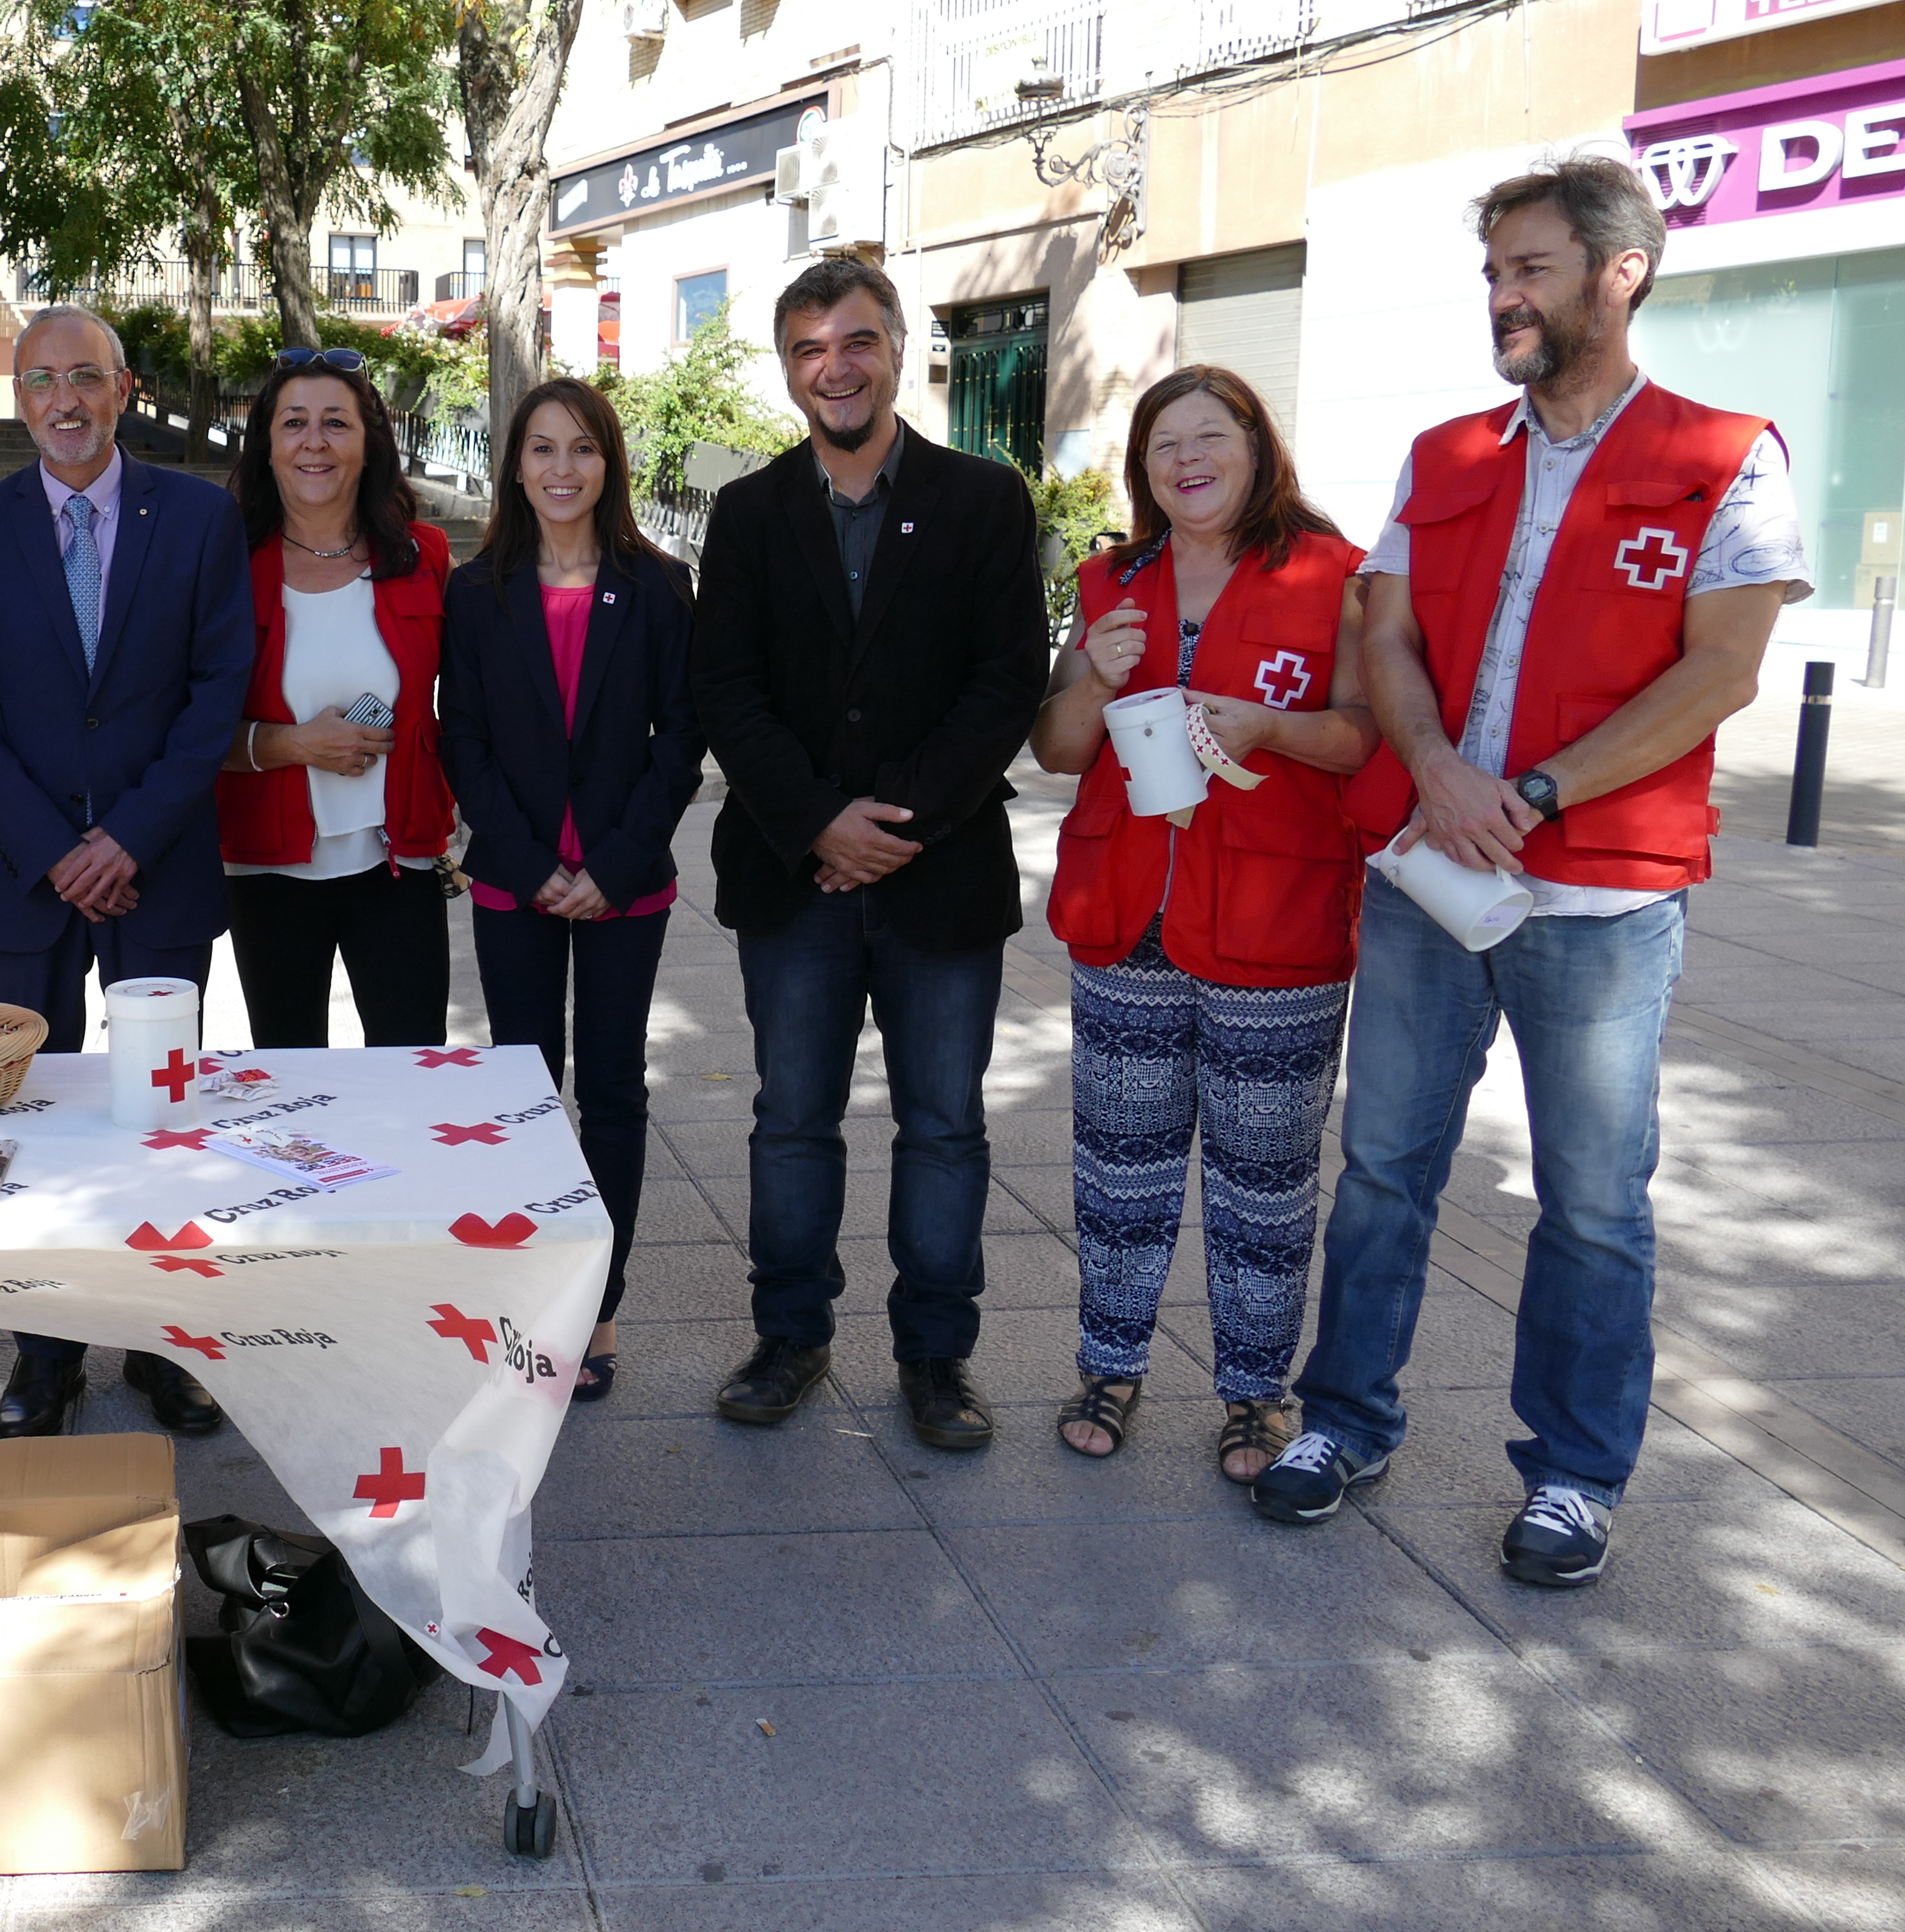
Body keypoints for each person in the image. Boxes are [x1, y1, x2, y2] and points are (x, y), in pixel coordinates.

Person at [1256, 157, 1803, 1586]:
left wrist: (1539, 792)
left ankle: (1570, 1473)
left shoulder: (1721, 454)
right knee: (1379, 1165)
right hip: (1429, 874)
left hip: (1601, 898)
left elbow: (1722, 672)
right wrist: (1436, 769)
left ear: (1617, 273)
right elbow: (1384, 635)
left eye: (1530, 268)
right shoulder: (1443, 458)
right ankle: (1342, 1420)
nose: (1501, 294)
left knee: (1591, 1198)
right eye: (1493, 270)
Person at [692, 257, 1048, 1448]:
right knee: (794, 1117)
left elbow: (1008, 683)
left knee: (944, 1124)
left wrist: (893, 823)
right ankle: (791, 1334)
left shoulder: (984, 500)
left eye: (855, 341)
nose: (833, 366)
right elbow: (726, 693)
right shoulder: (747, 514)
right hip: (794, 879)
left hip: (939, 875)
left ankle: (937, 1357)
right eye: (807, 348)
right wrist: (816, 825)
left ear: (898, 350)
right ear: (788, 370)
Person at [1029, 366, 1375, 1479]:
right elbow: (1060, 748)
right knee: (1118, 1163)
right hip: (1128, 914)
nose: (1186, 457)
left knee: (1263, 1175)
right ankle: (1109, 1365)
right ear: (1144, 467)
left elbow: (1366, 736)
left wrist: (1267, 723)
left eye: (1208, 435)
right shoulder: (1111, 577)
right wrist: (1090, 673)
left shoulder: (1334, 575)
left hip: (1275, 921)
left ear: (1255, 445)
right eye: (1163, 441)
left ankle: (1254, 1395)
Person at [0, 304, 254, 1439]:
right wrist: (55, 844)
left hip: (156, 864)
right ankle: (45, 1352)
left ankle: (165, 1345)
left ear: (124, 388)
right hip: (26, 871)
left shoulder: (201, 518)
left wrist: (129, 835)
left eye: (84, 377)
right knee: (33, 1119)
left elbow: (218, 689)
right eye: (39, 381)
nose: (62, 400)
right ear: (17, 399)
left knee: (156, 1117)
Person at [442, 378, 703, 1405]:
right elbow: (459, 730)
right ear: (513, 464)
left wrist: (617, 862)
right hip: (513, 880)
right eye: (541, 448)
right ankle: (523, 1294)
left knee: (612, 1093)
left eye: (582, 449)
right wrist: (519, 854)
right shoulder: (478, 589)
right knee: (520, 1095)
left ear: (609, 464)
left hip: (622, 886)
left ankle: (595, 1306)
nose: (560, 468)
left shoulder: (655, 584)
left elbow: (681, 737)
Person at [212, 352, 455, 1047]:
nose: (314, 442)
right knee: (292, 1076)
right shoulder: (224, 563)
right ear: (267, 444)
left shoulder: (423, 555)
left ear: (369, 442)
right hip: (267, 866)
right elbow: (181, 724)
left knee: (411, 1070)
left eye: (335, 423)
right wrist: (291, 744)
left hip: (397, 864)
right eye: (294, 423)